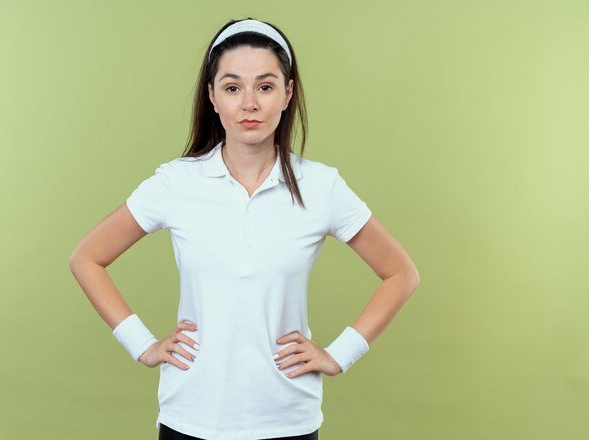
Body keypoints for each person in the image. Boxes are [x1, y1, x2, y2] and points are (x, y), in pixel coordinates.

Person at [69, 17, 420, 440]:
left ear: (287, 94)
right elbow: (86, 258)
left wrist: (341, 353)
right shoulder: (176, 183)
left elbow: (402, 273)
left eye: (266, 86)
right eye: (233, 87)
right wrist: (143, 344)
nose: (249, 103)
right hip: (191, 416)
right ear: (213, 96)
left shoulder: (321, 187)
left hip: (288, 418)